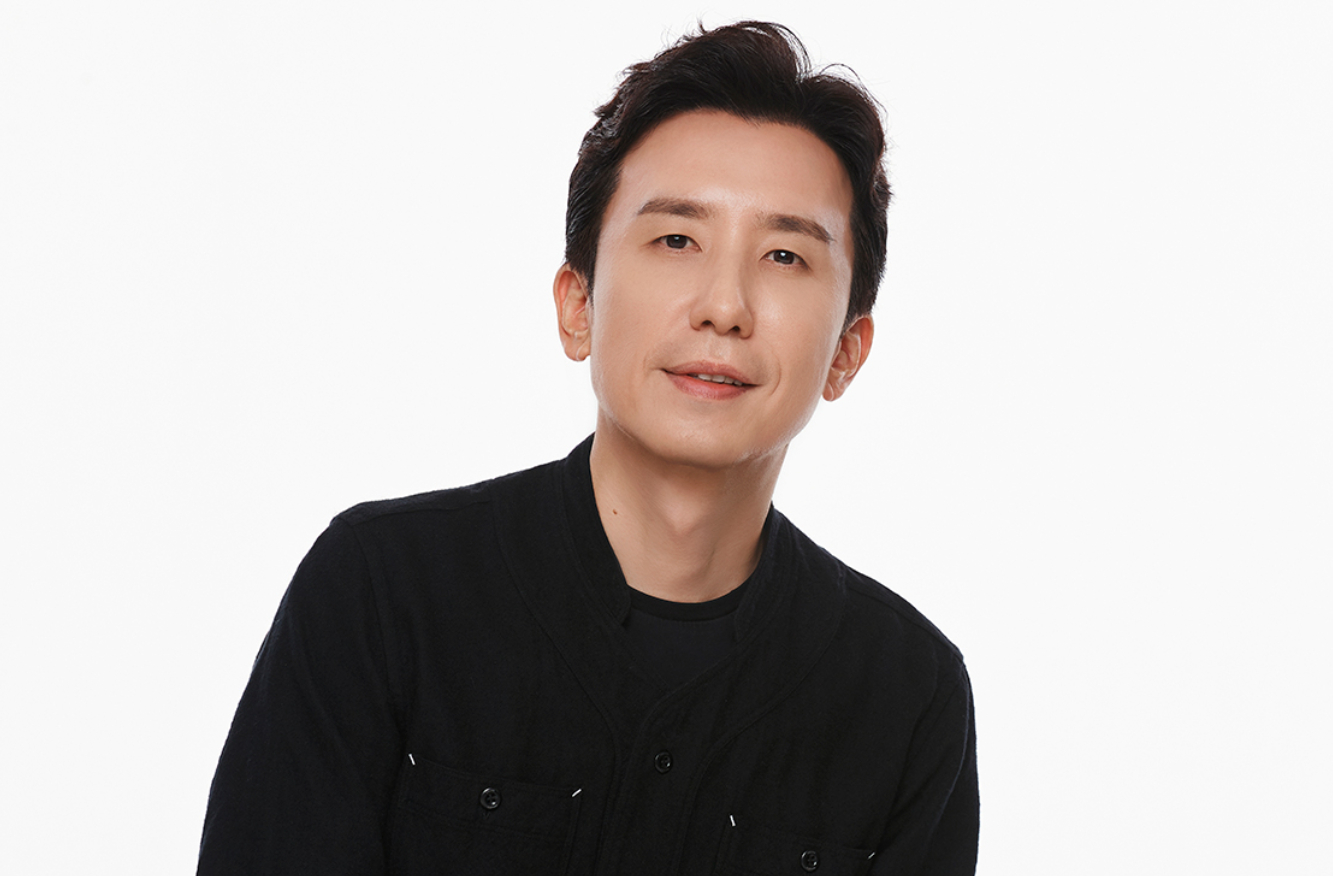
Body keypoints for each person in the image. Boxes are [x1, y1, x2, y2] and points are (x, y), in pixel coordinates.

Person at [198, 20, 978, 875]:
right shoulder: (383, 592)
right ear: (578, 306)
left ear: (845, 353)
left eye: (785, 255)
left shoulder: (908, 695)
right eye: (676, 240)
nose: (724, 307)